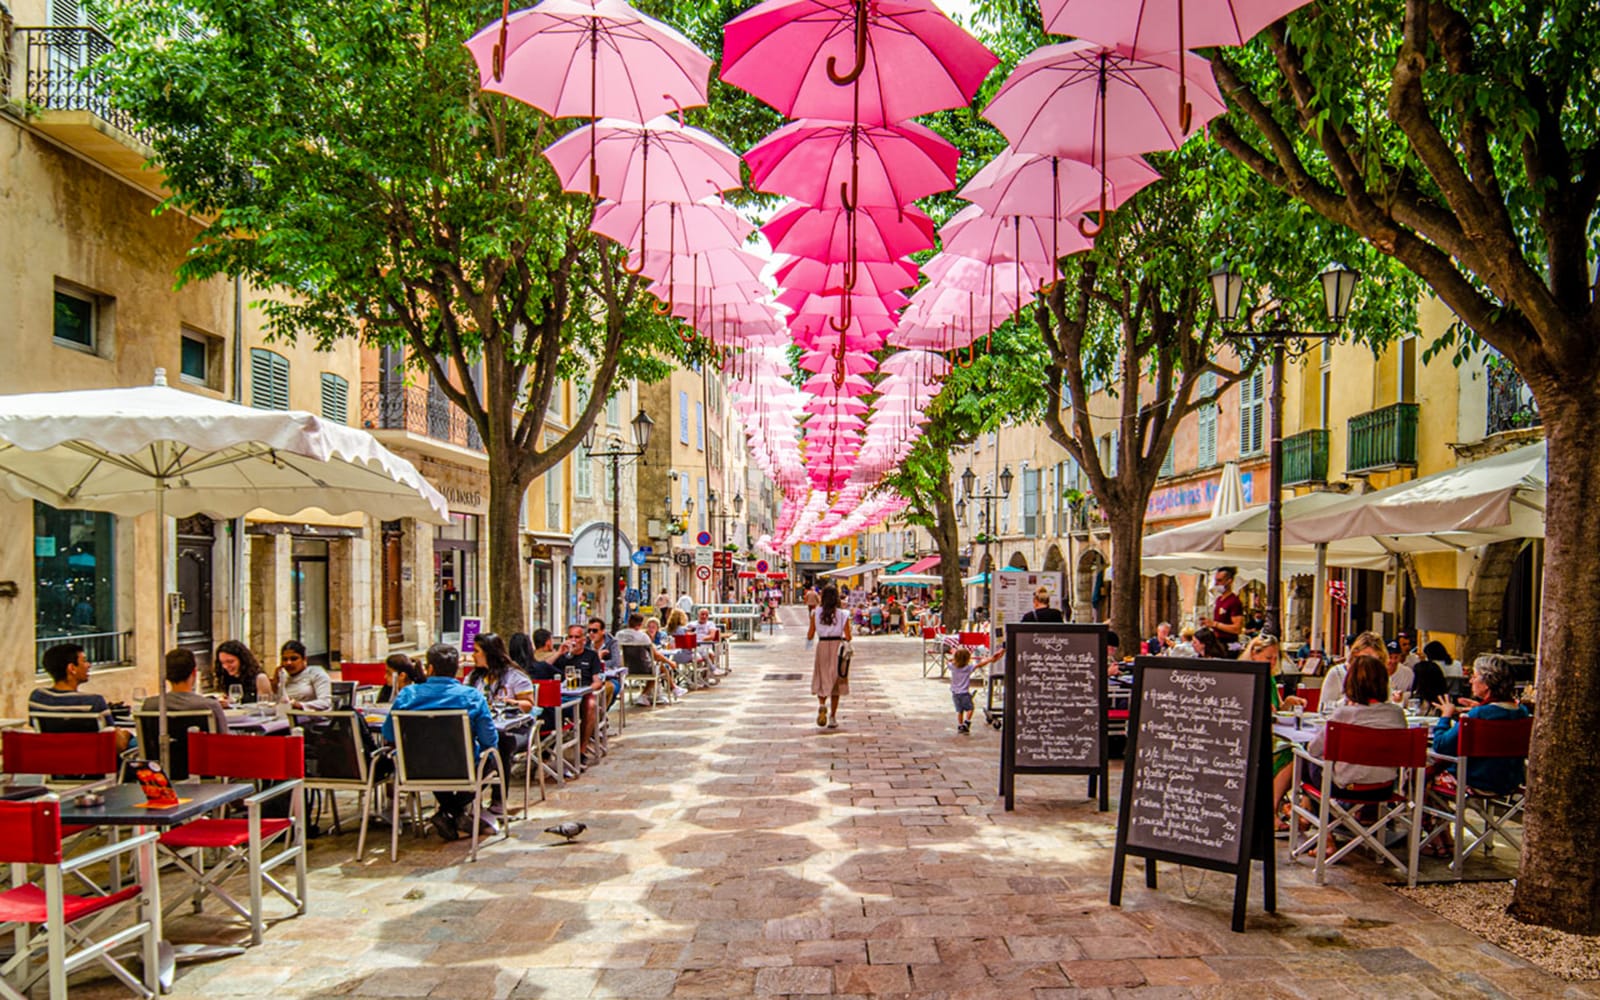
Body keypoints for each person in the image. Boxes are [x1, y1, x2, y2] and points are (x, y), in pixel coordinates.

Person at [381, 644, 499, 841]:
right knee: (490, 760)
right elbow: (490, 740)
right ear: (457, 670)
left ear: (430, 669)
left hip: (416, 768)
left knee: (433, 755)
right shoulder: (472, 697)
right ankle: (456, 812)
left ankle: (447, 812)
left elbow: (389, 734)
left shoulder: (407, 695)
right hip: (461, 767)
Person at [1303, 655, 1407, 815]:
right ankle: (1360, 822)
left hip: (1346, 788)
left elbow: (1313, 750)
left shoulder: (1343, 714)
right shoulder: (1398, 714)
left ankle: (1326, 826)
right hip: (1384, 788)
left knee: (1304, 759)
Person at [1432, 655, 1530, 795]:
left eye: (1474, 676)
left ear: (1487, 683)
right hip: (1509, 782)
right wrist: (1480, 708)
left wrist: (1445, 715)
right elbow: (1498, 715)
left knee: (1419, 772)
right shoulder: (1522, 713)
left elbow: (1441, 746)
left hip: (1474, 780)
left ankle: (1431, 816)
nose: (1471, 680)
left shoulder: (1478, 715)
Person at [1241, 634, 1305, 829]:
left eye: (1276, 658)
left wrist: (1288, 703)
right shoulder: (1247, 679)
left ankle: (1285, 808)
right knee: (1292, 757)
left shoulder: (1268, 679)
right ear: (1254, 654)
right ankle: (1272, 810)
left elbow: (1276, 713)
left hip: (1273, 736)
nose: (1273, 662)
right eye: (1269, 657)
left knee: (1299, 753)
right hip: (1254, 742)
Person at [31, 643, 133, 751]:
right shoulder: (94, 702)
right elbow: (118, 745)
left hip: (53, 762)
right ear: (72, 668)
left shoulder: (37, 697)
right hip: (92, 764)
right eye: (84, 661)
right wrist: (126, 734)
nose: (89, 665)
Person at [553, 623, 606, 762]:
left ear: (584, 639)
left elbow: (597, 681)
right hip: (563, 694)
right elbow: (543, 668)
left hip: (584, 693)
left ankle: (582, 750)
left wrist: (587, 690)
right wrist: (559, 653)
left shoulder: (591, 655)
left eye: (577, 637)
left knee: (591, 705)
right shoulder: (562, 656)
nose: (573, 640)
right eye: (570, 637)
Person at [144, 648, 228, 734]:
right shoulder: (211, 706)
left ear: (165, 674)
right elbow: (224, 740)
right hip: (198, 747)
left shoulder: (149, 706)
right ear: (194, 672)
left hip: (162, 747)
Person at [806, 583, 851, 729]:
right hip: (837, 648)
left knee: (821, 677)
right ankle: (832, 717)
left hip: (822, 647)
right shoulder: (843, 614)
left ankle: (821, 704)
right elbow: (849, 636)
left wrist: (810, 641)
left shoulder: (816, 613)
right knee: (836, 681)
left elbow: (810, 634)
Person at [617, 612, 679, 706]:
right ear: (640, 624)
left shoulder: (619, 634)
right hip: (643, 668)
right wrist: (670, 662)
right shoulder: (642, 636)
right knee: (658, 667)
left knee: (657, 665)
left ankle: (670, 690)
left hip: (626, 668)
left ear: (629, 622)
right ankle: (646, 694)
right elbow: (656, 655)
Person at [465, 633, 536, 713]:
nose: (473, 655)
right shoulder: (473, 676)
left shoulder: (515, 676)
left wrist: (510, 703)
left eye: (476, 651)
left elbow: (528, 705)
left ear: (489, 653)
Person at [1318, 631, 1387, 711]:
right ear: (1355, 655)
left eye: (1375, 660)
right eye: (1365, 658)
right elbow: (1323, 708)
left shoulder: (1381, 676)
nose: (1369, 665)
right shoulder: (1337, 673)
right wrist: (1346, 701)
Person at [275, 640, 331, 711]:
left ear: (304, 659)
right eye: (285, 659)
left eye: (294, 659)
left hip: (314, 718)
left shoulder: (316, 673)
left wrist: (299, 705)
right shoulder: (283, 676)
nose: (288, 663)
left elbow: (325, 702)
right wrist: (276, 682)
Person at [213, 640, 273, 705]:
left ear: (242, 659)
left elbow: (265, 706)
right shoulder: (228, 678)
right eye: (222, 663)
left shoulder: (260, 678)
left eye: (230, 662)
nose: (226, 666)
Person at [1201, 567, 1246, 640]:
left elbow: (1237, 628)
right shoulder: (1219, 599)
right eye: (1216, 581)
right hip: (1218, 641)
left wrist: (1215, 624)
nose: (1216, 584)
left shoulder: (1234, 601)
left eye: (1220, 581)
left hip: (1229, 643)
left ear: (1229, 581)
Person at [948, 647, 982, 734]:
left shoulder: (953, 667)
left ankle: (960, 725)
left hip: (955, 693)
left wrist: (953, 657)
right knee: (970, 708)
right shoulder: (968, 668)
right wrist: (990, 659)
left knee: (960, 710)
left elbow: (948, 661)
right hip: (964, 693)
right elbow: (980, 664)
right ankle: (967, 722)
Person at [692, 607, 723, 674]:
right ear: (698, 615)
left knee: (709, 654)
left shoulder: (710, 624)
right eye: (702, 614)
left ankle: (706, 675)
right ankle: (713, 670)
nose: (704, 616)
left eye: (706, 615)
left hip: (706, 646)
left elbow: (712, 636)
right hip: (693, 647)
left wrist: (701, 639)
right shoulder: (692, 624)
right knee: (701, 653)